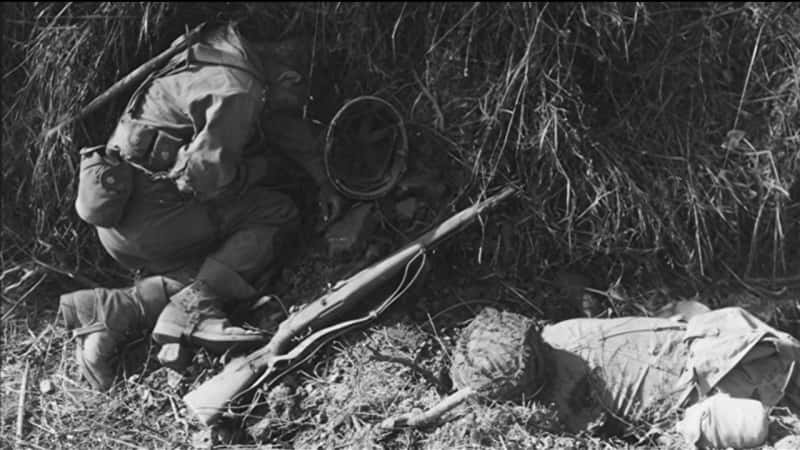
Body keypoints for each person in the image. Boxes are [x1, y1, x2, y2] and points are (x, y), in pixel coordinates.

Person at [59, 21, 344, 390]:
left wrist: (322, 176)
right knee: (275, 212)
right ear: (290, 78)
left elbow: (275, 124)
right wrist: (263, 170)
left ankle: (114, 310)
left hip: (121, 222)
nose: (297, 111)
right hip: (157, 222)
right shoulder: (239, 90)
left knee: (218, 262)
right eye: (300, 102)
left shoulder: (218, 51)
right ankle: (193, 309)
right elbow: (205, 180)